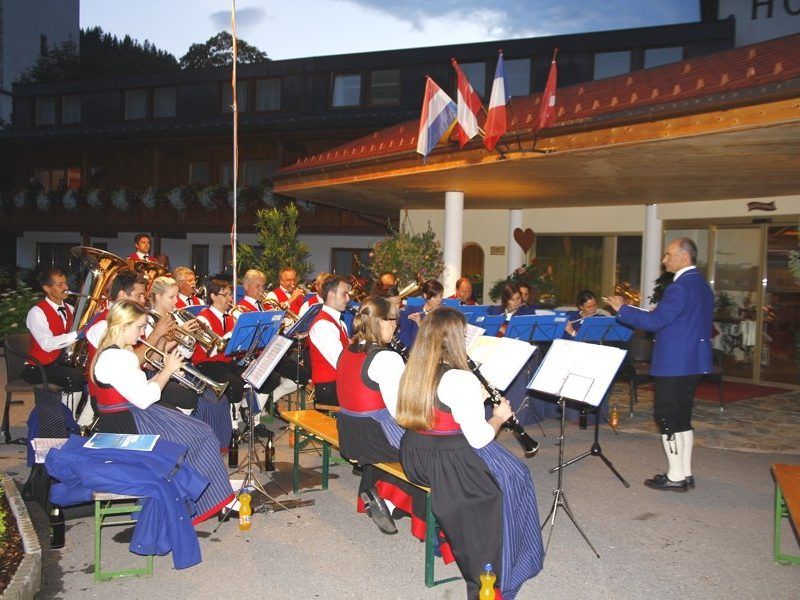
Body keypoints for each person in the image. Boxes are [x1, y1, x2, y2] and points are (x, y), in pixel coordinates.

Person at [396, 307, 544, 599]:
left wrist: (476, 397)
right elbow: (479, 438)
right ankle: (488, 579)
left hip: (414, 454)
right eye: (464, 335)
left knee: (508, 472)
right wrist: (499, 416)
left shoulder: (414, 368)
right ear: (454, 339)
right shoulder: (460, 379)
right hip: (447, 461)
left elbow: (440, 405)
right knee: (506, 484)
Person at [90, 300, 234, 523]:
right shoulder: (117, 357)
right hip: (128, 424)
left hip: (129, 415)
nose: (141, 333)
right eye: (139, 327)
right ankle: (196, 504)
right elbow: (145, 398)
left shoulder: (117, 353)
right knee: (200, 436)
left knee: (199, 430)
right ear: (123, 326)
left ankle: (200, 499)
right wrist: (167, 370)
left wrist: (164, 372)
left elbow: (141, 390)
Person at [606, 237, 714, 492]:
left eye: (669, 255)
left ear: (685, 257)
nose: (665, 259)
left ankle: (675, 476)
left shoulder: (680, 287)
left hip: (675, 362)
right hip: (693, 360)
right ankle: (685, 473)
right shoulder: (701, 285)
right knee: (681, 418)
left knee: (667, 417)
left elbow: (656, 322)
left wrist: (623, 309)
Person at [336, 296, 428, 536]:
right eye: (392, 321)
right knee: (428, 447)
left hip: (348, 430)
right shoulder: (387, 357)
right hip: (373, 434)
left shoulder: (347, 348)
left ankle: (380, 496)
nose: (396, 326)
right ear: (377, 322)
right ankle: (389, 502)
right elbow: (402, 414)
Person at [24, 268, 88, 423]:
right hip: (38, 367)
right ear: (47, 288)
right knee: (74, 377)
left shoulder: (71, 309)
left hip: (60, 362)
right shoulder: (37, 312)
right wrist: (76, 334)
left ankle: (84, 422)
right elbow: (47, 344)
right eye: (60, 284)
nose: (66, 287)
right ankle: (66, 423)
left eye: (65, 283)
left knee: (95, 374)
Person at [307, 275, 351, 407]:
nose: (348, 299)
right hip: (330, 389)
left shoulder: (339, 322)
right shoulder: (323, 325)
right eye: (344, 294)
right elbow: (342, 362)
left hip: (339, 384)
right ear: (331, 295)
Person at [396, 279, 443, 349]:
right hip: (413, 352)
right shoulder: (412, 310)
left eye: (441, 296)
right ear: (425, 295)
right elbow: (405, 337)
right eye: (435, 297)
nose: (439, 300)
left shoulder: (443, 314)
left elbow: (439, 339)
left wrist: (421, 325)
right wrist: (405, 318)